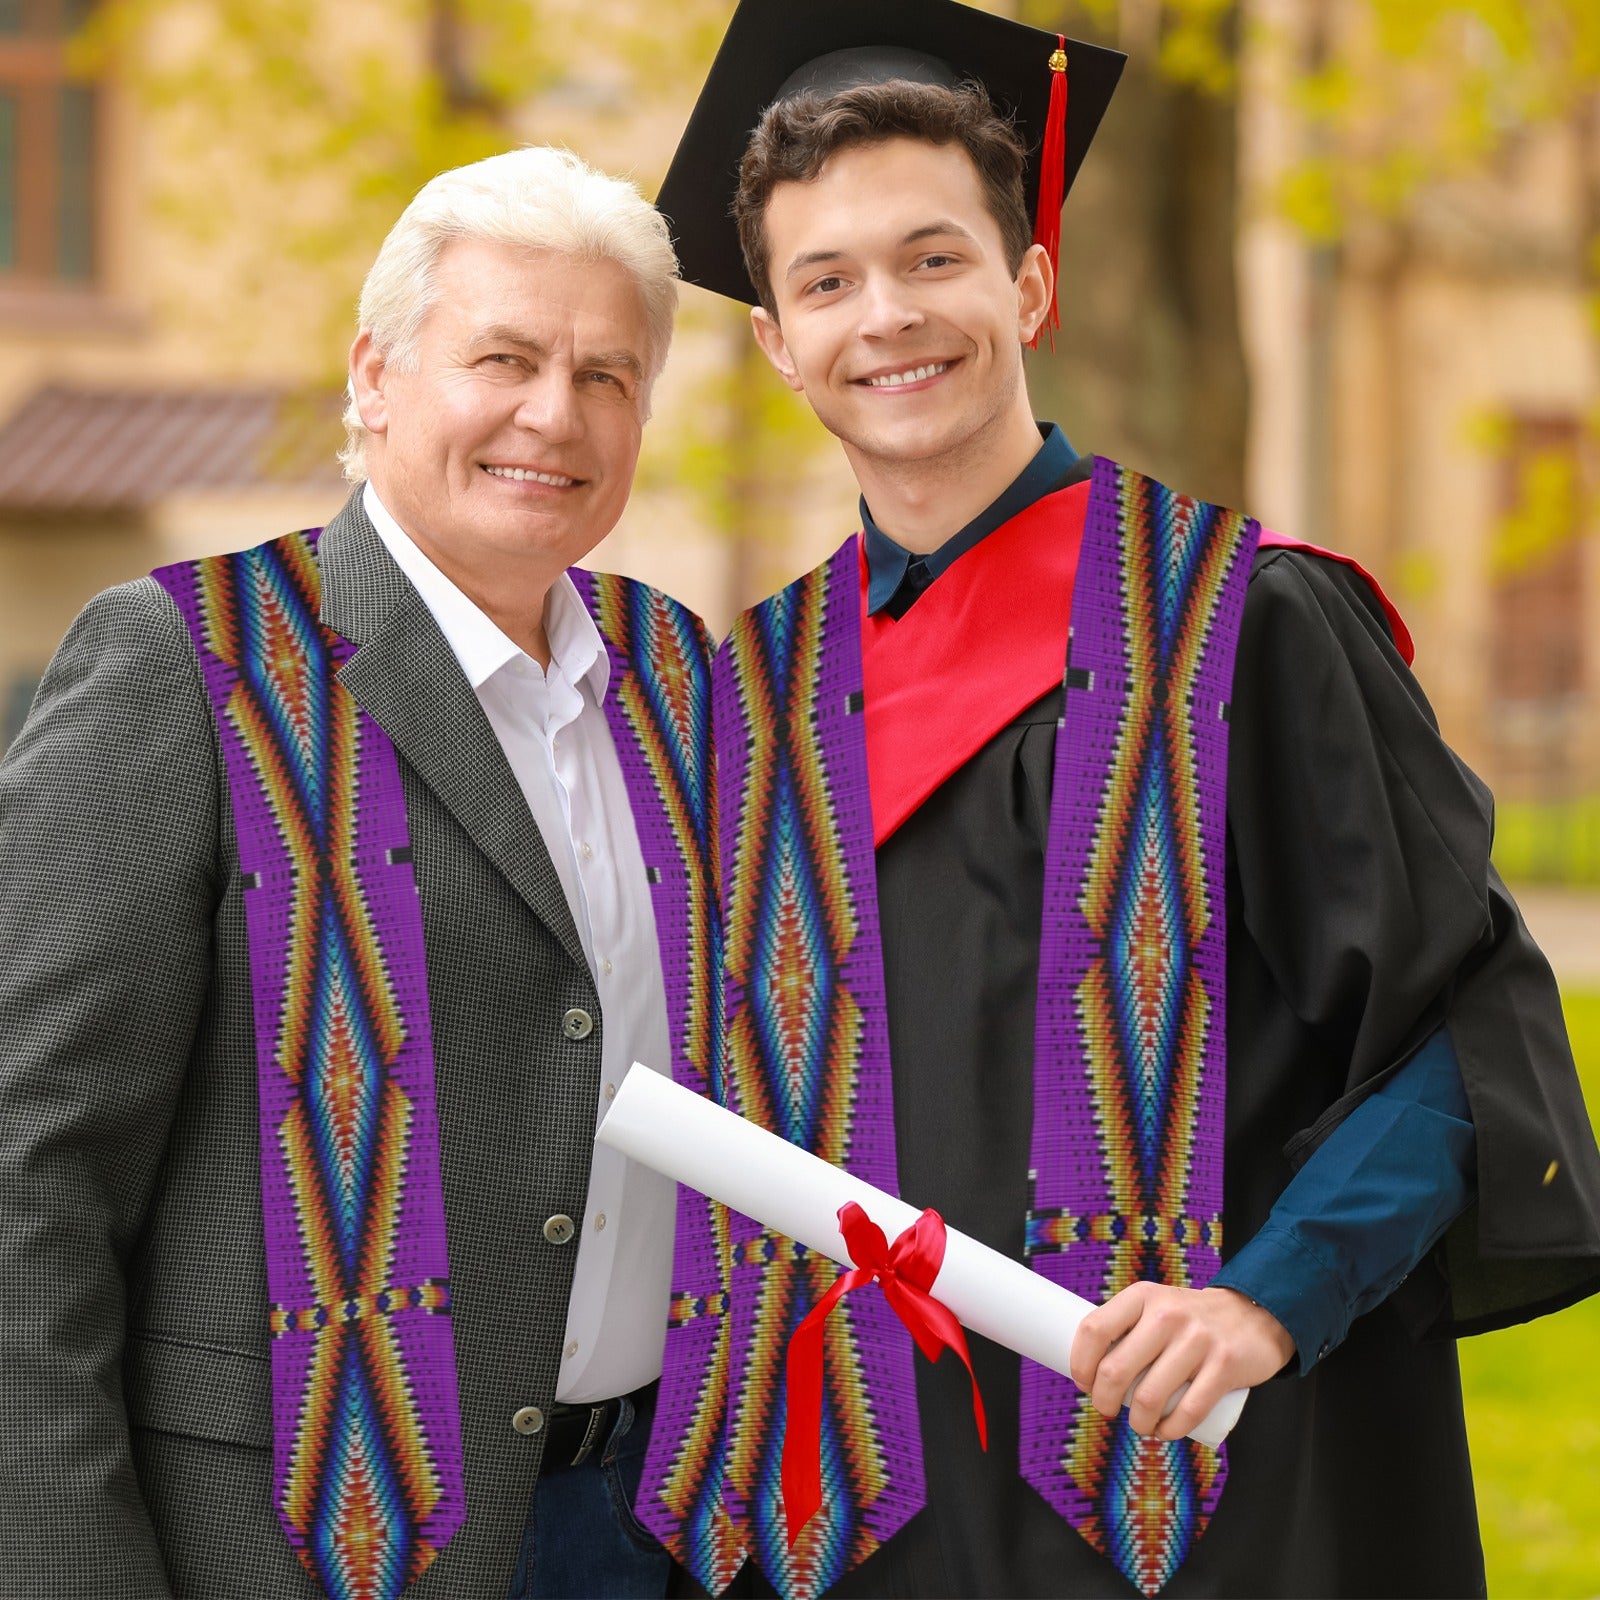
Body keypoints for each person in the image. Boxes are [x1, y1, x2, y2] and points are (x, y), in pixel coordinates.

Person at [633, 3, 1600, 1597]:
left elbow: (1461, 1033)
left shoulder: (1246, 626)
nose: (888, 316)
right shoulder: (746, 701)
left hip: (1206, 1495)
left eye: (934, 259)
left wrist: (1269, 1299)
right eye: (827, 281)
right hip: (861, 1524)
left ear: (1029, 282)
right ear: (777, 341)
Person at [0, 146, 717, 1600]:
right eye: (503, 357)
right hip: (292, 1546)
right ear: (376, 377)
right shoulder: (183, 665)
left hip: (647, 1528)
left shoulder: (680, 681)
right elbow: (29, 1176)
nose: (552, 414)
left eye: (606, 375)